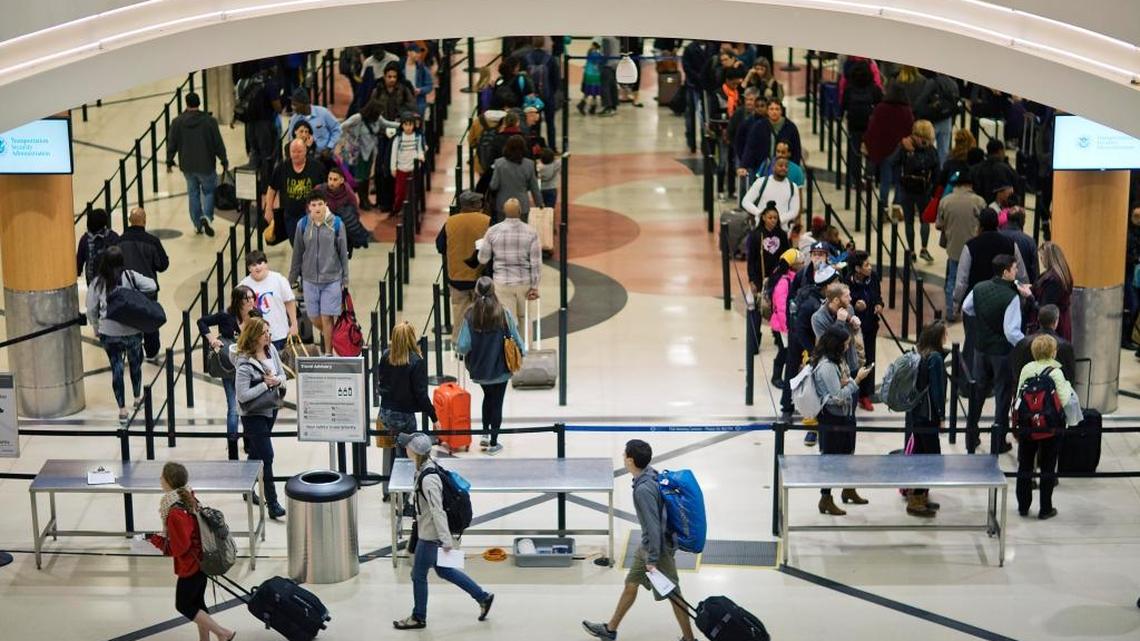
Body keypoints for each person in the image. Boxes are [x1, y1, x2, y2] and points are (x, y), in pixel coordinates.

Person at [582, 439, 696, 641]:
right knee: (631, 583)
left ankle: (689, 639)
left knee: (674, 595)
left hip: (657, 549)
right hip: (648, 546)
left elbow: (653, 528)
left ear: (631, 460)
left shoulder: (643, 490)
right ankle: (610, 629)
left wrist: (652, 559)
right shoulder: (650, 473)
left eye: (625, 455)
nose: (623, 457)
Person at [392, 432, 494, 630]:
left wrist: (446, 540)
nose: (405, 448)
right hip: (430, 532)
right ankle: (483, 597)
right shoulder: (427, 467)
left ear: (413, 451)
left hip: (430, 536)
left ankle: (418, 617)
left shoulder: (428, 478)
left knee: (417, 575)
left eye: (407, 446)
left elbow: (437, 511)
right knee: (444, 570)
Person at [146, 462, 237, 641]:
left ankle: (223, 633)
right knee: (197, 603)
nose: (160, 480)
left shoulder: (174, 512)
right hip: (202, 559)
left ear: (168, 482)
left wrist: (154, 540)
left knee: (184, 605)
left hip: (191, 565)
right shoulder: (188, 496)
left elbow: (179, 548)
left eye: (162, 477)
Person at [962, 255, 1033, 454]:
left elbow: (967, 307)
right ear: (1005, 272)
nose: (1017, 271)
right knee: (1002, 396)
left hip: (980, 349)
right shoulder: (1010, 297)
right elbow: (1011, 332)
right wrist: (1026, 344)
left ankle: (971, 437)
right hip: (1001, 354)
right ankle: (998, 441)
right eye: (1014, 268)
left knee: (978, 393)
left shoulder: (979, 287)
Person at [86, 246, 157, 424]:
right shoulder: (130, 276)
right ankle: (137, 397)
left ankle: (122, 410)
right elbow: (153, 285)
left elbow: (90, 309)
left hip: (109, 333)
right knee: (135, 364)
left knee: (117, 368)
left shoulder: (97, 282)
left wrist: (96, 327)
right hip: (132, 329)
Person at [456, 278, 525, 455]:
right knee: (497, 402)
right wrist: (521, 352)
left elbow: (463, 346)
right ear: (494, 291)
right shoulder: (503, 313)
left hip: (480, 370)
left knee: (488, 397)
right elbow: (516, 339)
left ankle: (485, 432)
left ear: (477, 292)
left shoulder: (470, 315)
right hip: (501, 368)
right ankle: (494, 442)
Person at [812, 324, 874, 516]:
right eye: (846, 344)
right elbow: (837, 397)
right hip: (833, 419)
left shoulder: (837, 361)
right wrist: (857, 381)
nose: (848, 347)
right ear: (836, 345)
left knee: (848, 452)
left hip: (846, 416)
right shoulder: (827, 366)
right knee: (831, 459)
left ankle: (848, 488)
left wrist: (847, 381)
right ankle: (826, 498)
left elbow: (840, 382)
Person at [1014, 334, 1078, 520]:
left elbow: (1019, 395)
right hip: (1051, 427)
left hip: (1028, 425)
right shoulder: (1056, 372)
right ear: (1053, 352)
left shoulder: (1026, 368)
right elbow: (1065, 400)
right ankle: (1045, 509)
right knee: (1048, 466)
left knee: (1025, 465)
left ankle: (1023, 506)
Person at [377, 323, 440, 500]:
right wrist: (434, 417)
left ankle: (388, 490)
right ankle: (403, 497)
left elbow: (380, 384)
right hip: (405, 416)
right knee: (406, 456)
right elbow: (421, 395)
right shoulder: (415, 361)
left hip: (386, 413)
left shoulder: (386, 356)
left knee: (390, 449)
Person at [234, 317, 287, 519]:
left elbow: (283, 375)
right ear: (254, 336)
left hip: (270, 409)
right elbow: (242, 396)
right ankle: (273, 503)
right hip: (253, 415)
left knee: (256, 453)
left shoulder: (270, 350)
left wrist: (276, 380)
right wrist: (265, 385)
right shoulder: (244, 363)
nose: (268, 335)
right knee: (267, 456)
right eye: (264, 332)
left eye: (268, 331)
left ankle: (246, 484)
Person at [288, 193, 350, 355]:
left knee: (327, 317)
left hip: (332, 279)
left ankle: (328, 353)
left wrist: (345, 278)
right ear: (309, 207)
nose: (316, 208)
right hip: (309, 279)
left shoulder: (336, 224)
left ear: (325, 205)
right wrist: (291, 279)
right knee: (314, 317)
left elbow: (343, 252)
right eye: (313, 205)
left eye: (319, 204)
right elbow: (297, 253)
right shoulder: (302, 225)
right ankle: (334, 337)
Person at [198, 285, 256, 444]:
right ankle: (232, 445)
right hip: (229, 365)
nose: (251, 302)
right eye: (247, 299)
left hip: (248, 367)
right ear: (238, 301)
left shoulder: (256, 315)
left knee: (247, 406)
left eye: (252, 298)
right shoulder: (226, 316)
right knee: (233, 407)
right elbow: (202, 322)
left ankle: (248, 443)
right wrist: (212, 339)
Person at [166, 91, 228, 236]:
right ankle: (207, 216)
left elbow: (172, 143)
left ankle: (197, 224)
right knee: (208, 191)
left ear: (186, 103)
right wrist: (223, 160)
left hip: (187, 166)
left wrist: (169, 161)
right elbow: (218, 143)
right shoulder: (209, 121)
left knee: (193, 194)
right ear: (199, 103)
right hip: (206, 164)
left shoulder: (177, 122)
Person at [903, 321, 948, 518]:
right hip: (928, 415)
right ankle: (916, 500)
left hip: (916, 413)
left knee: (922, 454)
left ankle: (918, 496)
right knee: (930, 458)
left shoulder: (920, 353)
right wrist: (941, 415)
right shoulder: (935, 358)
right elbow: (937, 390)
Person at [436, 191, 492, 343]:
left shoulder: (450, 222)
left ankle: (458, 342)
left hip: (457, 275)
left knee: (459, 310)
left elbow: (440, 245)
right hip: (480, 276)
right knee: (481, 311)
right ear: (476, 205)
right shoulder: (487, 221)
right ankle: (479, 341)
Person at [118, 207, 170, 361]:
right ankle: (152, 352)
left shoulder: (119, 241)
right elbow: (163, 265)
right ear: (145, 221)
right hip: (148, 291)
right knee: (149, 320)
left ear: (129, 221)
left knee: (128, 319)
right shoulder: (153, 241)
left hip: (126, 290)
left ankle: (132, 350)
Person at [478, 198, 541, 322]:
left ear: (504, 211)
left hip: (502, 283)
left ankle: (509, 341)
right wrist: (534, 286)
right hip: (524, 283)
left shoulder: (492, 231)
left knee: (506, 321)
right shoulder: (531, 232)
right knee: (525, 319)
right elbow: (536, 263)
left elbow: (483, 259)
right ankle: (525, 341)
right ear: (520, 211)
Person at [936, 171, 984, 320]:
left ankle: (951, 311)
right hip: (974, 248)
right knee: (974, 280)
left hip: (954, 248)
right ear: (970, 184)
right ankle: (972, 312)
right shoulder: (979, 201)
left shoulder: (945, 200)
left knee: (952, 280)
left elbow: (939, 225)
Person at [893, 120, 940, 262]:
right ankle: (923, 249)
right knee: (924, 220)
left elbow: (894, 162)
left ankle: (911, 251)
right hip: (923, 189)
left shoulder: (905, 146)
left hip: (906, 189)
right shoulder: (931, 150)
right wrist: (934, 190)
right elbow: (936, 171)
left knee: (909, 221)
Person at [337, 100, 398, 210]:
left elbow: (387, 124)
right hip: (358, 153)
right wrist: (347, 139)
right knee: (360, 177)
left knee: (366, 176)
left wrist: (402, 124)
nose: (380, 115)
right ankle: (362, 201)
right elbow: (342, 126)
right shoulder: (358, 118)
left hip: (370, 152)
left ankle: (366, 199)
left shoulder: (377, 119)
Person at [863, 82, 914, 210]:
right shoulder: (907, 110)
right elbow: (910, 130)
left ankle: (883, 205)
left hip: (884, 149)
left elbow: (873, 128)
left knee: (885, 178)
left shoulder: (881, 108)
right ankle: (897, 204)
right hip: (900, 149)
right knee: (898, 179)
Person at [264, 139, 326, 245]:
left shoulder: (317, 167)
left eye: (299, 152)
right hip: (291, 216)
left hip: (311, 215)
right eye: (293, 152)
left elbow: (326, 189)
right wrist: (268, 209)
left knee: (311, 244)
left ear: (305, 151)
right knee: (296, 245)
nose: (296, 155)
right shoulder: (282, 168)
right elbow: (272, 188)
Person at [239, 251, 298, 351]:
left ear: (266, 264)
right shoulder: (243, 286)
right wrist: (243, 330)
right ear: (249, 269)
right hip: (255, 338)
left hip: (279, 335)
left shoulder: (279, 279)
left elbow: (289, 302)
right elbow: (238, 310)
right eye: (253, 265)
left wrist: (294, 324)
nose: (257, 267)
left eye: (260, 263)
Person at [848, 251, 883, 410]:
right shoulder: (847, 281)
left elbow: (878, 297)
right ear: (857, 268)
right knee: (853, 360)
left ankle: (865, 395)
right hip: (853, 328)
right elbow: (844, 301)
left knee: (869, 358)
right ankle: (851, 391)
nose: (870, 267)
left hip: (870, 325)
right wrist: (854, 304)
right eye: (866, 265)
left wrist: (879, 305)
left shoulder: (873, 277)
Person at [1011, 304, 1076, 387]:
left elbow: (1016, 374)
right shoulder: (1065, 347)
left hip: (1028, 394)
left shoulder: (1022, 343)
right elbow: (1070, 378)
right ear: (1056, 321)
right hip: (1055, 395)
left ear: (1038, 319)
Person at [740, 100, 803, 176]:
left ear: (781, 111)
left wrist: (795, 169)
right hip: (762, 169)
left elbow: (796, 150)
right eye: (771, 109)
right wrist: (743, 165)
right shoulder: (759, 126)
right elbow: (750, 147)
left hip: (784, 169)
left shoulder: (790, 127)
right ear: (767, 111)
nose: (774, 112)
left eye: (777, 109)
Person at [318, 166, 370, 255]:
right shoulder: (320, 189)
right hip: (326, 224)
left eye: (335, 180)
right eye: (330, 179)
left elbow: (355, 208)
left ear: (341, 181)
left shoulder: (347, 191)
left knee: (347, 213)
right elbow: (310, 205)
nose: (331, 182)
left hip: (343, 224)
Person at [490, 135, 543, 221]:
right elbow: (534, 187)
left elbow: (494, 185)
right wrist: (539, 203)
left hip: (503, 205)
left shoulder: (499, 163)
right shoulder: (529, 164)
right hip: (522, 205)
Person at [768, 248, 801, 390]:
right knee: (784, 351)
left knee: (787, 350)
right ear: (792, 265)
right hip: (782, 324)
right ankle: (776, 376)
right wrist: (786, 327)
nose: (803, 264)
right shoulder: (784, 282)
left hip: (788, 323)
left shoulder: (792, 278)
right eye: (800, 262)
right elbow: (781, 307)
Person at [741, 157, 800, 232]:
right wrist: (760, 213)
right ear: (773, 167)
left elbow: (794, 211)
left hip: (782, 230)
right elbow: (745, 202)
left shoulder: (793, 187)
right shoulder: (761, 182)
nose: (783, 168)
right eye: (780, 165)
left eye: (786, 166)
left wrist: (779, 219)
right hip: (761, 229)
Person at [1033, 242, 1073, 341]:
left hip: (1053, 325)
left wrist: (1030, 296)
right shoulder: (1060, 274)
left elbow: (1045, 307)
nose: (1041, 260)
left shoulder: (1053, 280)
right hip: (1060, 320)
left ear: (1048, 258)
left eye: (1042, 257)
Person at [746, 205, 790, 291]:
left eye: (775, 218)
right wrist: (752, 280)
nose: (773, 220)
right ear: (763, 218)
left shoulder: (782, 235)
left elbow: (787, 256)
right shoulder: (756, 235)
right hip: (760, 277)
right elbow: (751, 260)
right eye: (770, 218)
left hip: (778, 277)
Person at [286, 87, 342, 156]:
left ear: (305, 104)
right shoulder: (294, 119)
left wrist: (329, 147)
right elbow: (291, 138)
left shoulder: (323, 113)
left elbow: (337, 129)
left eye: (295, 104)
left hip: (325, 156)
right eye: (292, 104)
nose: (292, 107)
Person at [390, 112, 426, 216]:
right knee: (400, 192)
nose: (408, 127)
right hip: (401, 168)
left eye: (410, 124)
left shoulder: (417, 137)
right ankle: (398, 208)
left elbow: (419, 150)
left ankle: (412, 209)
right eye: (406, 124)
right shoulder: (398, 138)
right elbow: (394, 154)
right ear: (402, 125)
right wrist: (393, 168)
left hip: (413, 169)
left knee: (413, 191)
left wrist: (421, 156)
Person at [971, 140, 1023, 207]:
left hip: (980, 209)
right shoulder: (1006, 169)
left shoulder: (976, 169)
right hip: (1001, 213)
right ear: (1000, 151)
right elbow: (1018, 186)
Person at [77, 207, 120, 284]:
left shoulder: (85, 239)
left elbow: (79, 262)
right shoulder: (113, 236)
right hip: (112, 281)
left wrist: (78, 271)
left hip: (93, 282)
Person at [1001, 207, 1038, 283]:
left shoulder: (997, 236)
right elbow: (1034, 272)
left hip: (998, 285)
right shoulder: (1029, 242)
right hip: (1021, 287)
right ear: (1022, 221)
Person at [404, 43, 434, 116]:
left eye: (419, 52)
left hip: (418, 104)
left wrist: (420, 90)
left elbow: (429, 86)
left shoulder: (422, 68)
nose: (419, 54)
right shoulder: (401, 67)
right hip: (404, 104)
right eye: (416, 52)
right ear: (409, 53)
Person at [578, 41, 603, 115]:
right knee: (593, 92)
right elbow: (598, 63)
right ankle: (590, 107)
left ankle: (587, 106)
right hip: (594, 75)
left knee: (589, 92)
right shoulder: (596, 54)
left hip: (589, 75)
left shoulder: (590, 52)